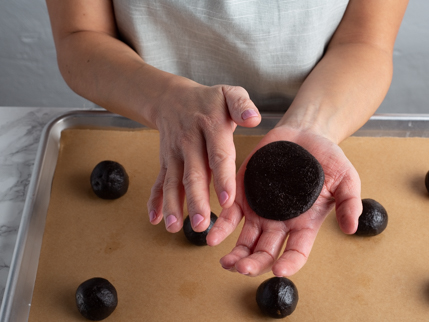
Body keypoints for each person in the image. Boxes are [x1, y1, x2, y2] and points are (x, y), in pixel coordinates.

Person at [45, 0, 408, 277]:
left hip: (314, 107)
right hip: (143, 113)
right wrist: (164, 99)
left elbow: (366, 41)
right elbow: (79, 37)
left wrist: (312, 126)